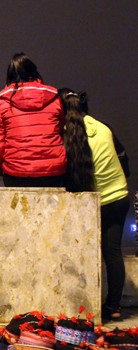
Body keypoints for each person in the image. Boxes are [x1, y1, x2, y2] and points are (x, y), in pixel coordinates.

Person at [59, 88, 130, 321]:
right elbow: (123, 161)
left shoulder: (64, 133)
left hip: (92, 202)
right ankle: (114, 306)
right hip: (119, 196)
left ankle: (83, 306)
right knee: (113, 251)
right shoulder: (103, 127)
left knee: (84, 252)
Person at [0, 53, 67, 187]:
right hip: (54, 172)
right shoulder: (55, 101)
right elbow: (60, 132)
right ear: (34, 72)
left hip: (16, 173)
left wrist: (0, 170)